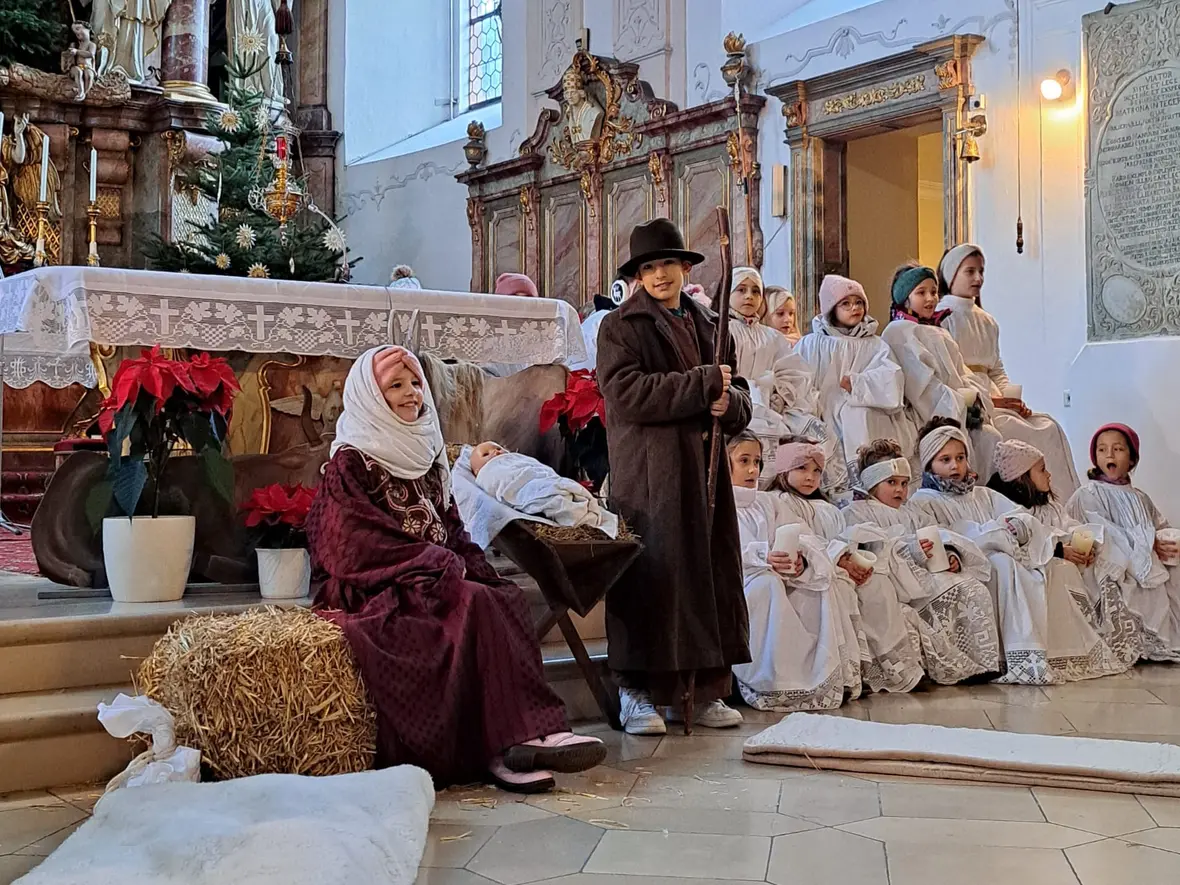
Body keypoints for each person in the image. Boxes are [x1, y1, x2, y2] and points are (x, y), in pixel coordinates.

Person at [305, 345, 606, 792]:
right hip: (379, 588)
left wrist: (471, 563)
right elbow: (345, 543)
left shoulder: (425, 450)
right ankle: (506, 747)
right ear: (371, 396)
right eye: (396, 386)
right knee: (471, 604)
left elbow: (450, 526)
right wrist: (432, 563)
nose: (411, 395)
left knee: (500, 595)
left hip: (434, 577)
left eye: (415, 385)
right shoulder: (352, 459)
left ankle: (530, 735)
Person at [596, 217, 752, 735]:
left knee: (707, 574)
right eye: (647, 267)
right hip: (651, 474)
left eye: (667, 263)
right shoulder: (621, 326)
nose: (659, 274)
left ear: (686, 267)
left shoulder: (711, 324)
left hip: (703, 470)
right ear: (637, 276)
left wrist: (730, 405)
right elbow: (628, 394)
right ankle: (637, 691)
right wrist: (703, 385)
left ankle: (704, 690)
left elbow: (740, 397)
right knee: (651, 578)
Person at [908, 419, 1124, 684]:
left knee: (1047, 568)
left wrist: (1017, 527)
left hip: (1005, 553)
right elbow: (940, 536)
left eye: (960, 457)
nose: (955, 465)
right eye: (945, 460)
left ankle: (1051, 652)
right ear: (930, 464)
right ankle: (1019, 653)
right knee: (1004, 564)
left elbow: (1019, 516)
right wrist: (986, 538)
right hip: (971, 563)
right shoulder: (923, 502)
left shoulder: (984, 495)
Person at [767, 439, 923, 695]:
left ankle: (888, 668)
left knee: (877, 583)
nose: (810, 477)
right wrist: (837, 559)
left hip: (835, 564)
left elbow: (839, 538)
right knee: (840, 586)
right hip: (805, 573)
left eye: (817, 471)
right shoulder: (779, 501)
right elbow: (801, 540)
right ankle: (842, 673)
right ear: (784, 471)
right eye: (802, 469)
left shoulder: (827, 508)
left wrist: (852, 558)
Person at [843, 439, 1001, 684]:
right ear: (872, 484)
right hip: (897, 582)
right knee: (956, 588)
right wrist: (911, 550)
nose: (900, 490)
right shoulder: (857, 512)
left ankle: (981, 662)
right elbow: (871, 549)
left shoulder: (913, 513)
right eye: (891, 483)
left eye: (905, 484)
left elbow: (939, 534)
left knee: (972, 587)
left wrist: (950, 555)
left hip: (925, 574)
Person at [937, 244, 1081, 499]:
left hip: (994, 396)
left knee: (1047, 427)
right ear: (951, 275)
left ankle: (1060, 504)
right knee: (1009, 432)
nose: (978, 278)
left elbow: (996, 368)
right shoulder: (943, 317)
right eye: (970, 272)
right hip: (970, 399)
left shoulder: (987, 320)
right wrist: (991, 401)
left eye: (981, 271)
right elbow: (951, 372)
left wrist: (1012, 399)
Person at [987, 439, 1141, 669]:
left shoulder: (1049, 507)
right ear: (1021, 477)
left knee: (1102, 568)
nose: (1049, 475)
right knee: (1063, 572)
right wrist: (1059, 550)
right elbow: (1024, 540)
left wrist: (1085, 543)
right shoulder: (1008, 508)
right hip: (1039, 561)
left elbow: (1068, 525)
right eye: (1041, 470)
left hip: (1066, 556)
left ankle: (1108, 636)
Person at [727, 432, 853, 712]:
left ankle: (813, 676)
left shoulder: (769, 502)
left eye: (757, 462)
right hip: (736, 583)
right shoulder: (715, 504)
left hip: (776, 574)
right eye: (743, 461)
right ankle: (773, 679)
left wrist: (801, 562)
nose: (752, 470)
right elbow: (721, 551)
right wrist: (763, 557)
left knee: (820, 584)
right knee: (768, 584)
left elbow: (805, 537)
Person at [1068, 424, 1180, 661]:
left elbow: (1159, 525)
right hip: (1110, 558)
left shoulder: (1140, 497)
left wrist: (1163, 540)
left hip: (1144, 559)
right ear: (1095, 457)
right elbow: (1102, 531)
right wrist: (1147, 545)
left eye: (1117, 449)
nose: (1109, 455)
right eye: (1102, 450)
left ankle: (1165, 639)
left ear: (1131, 459)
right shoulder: (1089, 493)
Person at [881, 263, 1001, 483]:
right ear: (905, 299)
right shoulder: (899, 332)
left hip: (957, 406)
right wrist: (958, 404)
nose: (930, 299)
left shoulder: (937, 330)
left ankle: (983, 499)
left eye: (934, 292)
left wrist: (975, 398)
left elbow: (962, 372)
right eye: (921, 293)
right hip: (927, 415)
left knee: (991, 438)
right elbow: (922, 387)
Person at [795, 274, 916, 490]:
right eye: (846, 303)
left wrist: (859, 384)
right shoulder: (812, 343)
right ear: (832, 308)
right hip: (824, 408)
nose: (854, 308)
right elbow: (796, 377)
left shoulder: (875, 344)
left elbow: (892, 378)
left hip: (867, 413)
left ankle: (870, 482)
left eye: (859, 302)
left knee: (858, 416)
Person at [725, 266, 839, 493]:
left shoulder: (772, 336)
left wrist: (780, 392)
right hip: (737, 404)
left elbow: (793, 372)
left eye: (756, 291)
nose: (749, 296)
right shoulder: (720, 330)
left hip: (769, 404)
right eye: (741, 290)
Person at [470, 440, 619, 537]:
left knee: (557, 487)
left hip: (541, 480)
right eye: (486, 454)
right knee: (552, 497)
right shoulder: (487, 474)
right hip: (526, 487)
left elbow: (535, 468)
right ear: (477, 471)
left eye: (497, 448)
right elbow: (502, 484)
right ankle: (575, 511)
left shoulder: (514, 459)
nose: (495, 453)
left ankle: (577, 504)